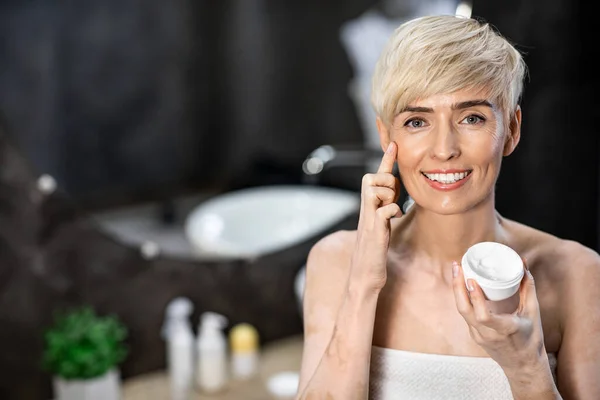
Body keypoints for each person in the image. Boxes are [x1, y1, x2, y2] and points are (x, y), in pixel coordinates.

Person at [296, 14, 600, 400]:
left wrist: (526, 368)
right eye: (416, 121)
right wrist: (363, 285)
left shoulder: (576, 273)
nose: (444, 149)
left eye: (471, 117)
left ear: (511, 129)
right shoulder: (338, 261)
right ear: (386, 136)